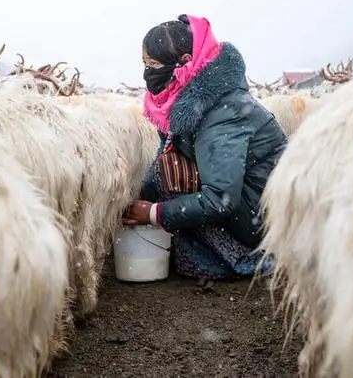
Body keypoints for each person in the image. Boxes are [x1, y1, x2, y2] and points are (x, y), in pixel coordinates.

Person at [123, 14, 286, 282]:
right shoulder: (188, 102)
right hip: (247, 201)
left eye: (154, 65)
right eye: (145, 64)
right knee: (169, 169)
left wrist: (153, 213)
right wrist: (133, 200)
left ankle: (238, 255)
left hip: (263, 218)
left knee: (175, 177)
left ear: (185, 62)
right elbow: (164, 158)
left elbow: (221, 198)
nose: (147, 74)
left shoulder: (222, 112)